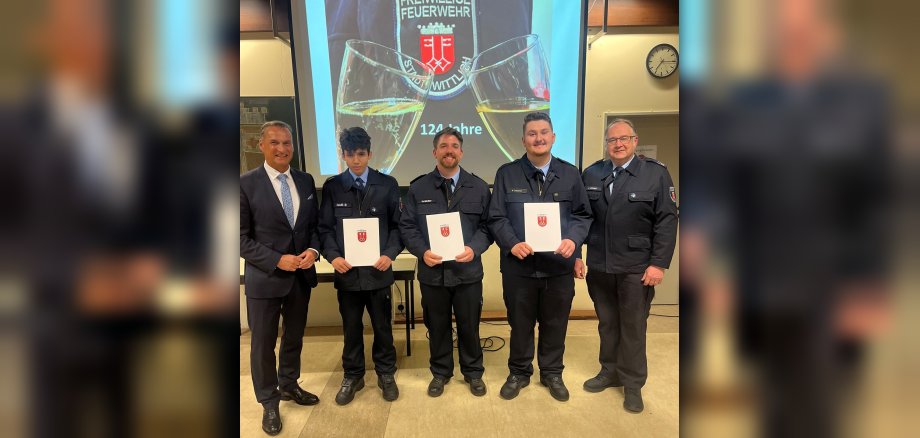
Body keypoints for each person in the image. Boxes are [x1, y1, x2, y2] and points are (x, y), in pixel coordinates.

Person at [575, 118, 678, 413]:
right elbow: (581, 217)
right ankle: (609, 372)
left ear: (635, 141)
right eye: (612, 140)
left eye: (624, 139)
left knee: (633, 326)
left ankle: (632, 384)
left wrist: (658, 264)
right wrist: (577, 254)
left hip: (637, 267)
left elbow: (667, 220)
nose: (618, 144)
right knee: (607, 323)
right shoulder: (592, 173)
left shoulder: (655, 173)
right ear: (606, 144)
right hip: (600, 265)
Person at [488, 112, 592, 401]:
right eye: (532, 133)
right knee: (520, 324)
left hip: (558, 268)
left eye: (544, 132)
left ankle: (552, 372)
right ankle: (519, 372)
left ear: (553, 137)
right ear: (523, 140)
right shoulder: (506, 173)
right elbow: (496, 217)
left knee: (555, 323)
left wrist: (573, 240)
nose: (538, 138)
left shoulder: (570, 174)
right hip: (519, 267)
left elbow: (582, 215)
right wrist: (512, 243)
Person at [399, 127, 493, 397]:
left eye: (454, 146)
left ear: (461, 152)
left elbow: (488, 226)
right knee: (437, 326)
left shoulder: (479, 187)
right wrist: (422, 251)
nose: (449, 151)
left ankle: (473, 372)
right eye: (443, 146)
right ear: (434, 152)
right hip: (433, 273)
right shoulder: (418, 188)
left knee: (469, 326)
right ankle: (440, 372)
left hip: (468, 272)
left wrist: (474, 248)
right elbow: (408, 227)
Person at [240, 121, 321, 435]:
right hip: (265, 279)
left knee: (294, 337)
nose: (282, 148)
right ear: (261, 145)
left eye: (287, 143)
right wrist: (276, 260)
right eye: (274, 142)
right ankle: (269, 401)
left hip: (301, 277)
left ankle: (289, 384)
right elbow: (239, 238)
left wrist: (313, 250)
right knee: (262, 345)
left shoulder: (305, 180)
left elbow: (313, 226)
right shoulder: (244, 184)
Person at [318, 126, 403, 405]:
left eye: (361, 154)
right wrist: (333, 256)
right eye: (350, 154)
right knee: (351, 328)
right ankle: (353, 375)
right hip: (348, 273)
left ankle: (386, 373)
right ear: (343, 155)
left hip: (379, 271)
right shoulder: (333, 187)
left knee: (382, 327)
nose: (356, 160)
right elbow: (325, 228)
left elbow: (398, 227)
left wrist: (390, 254)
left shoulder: (387, 184)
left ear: (370, 154)